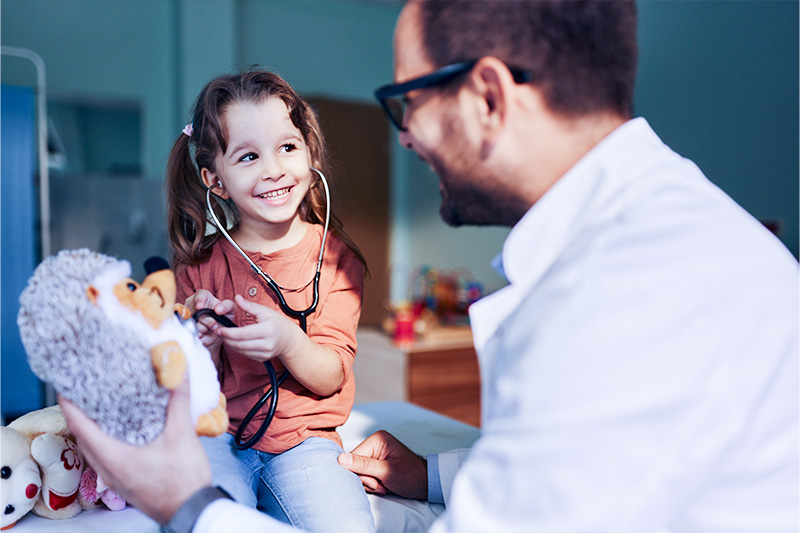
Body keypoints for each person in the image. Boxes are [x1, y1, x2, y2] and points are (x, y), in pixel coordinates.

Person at [60, 1, 799, 532]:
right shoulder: (665, 233)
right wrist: (437, 474)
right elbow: (596, 465)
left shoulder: (623, 297)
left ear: (487, 97)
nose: (406, 137)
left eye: (405, 101)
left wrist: (188, 505)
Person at [162, 68, 372, 532]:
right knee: (201, 521)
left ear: (308, 152)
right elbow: (190, 388)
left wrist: (288, 341)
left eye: (288, 148)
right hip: (220, 435)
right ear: (215, 180)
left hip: (305, 440)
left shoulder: (335, 260)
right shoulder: (199, 269)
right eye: (249, 156)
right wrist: (204, 344)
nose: (274, 169)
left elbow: (331, 375)